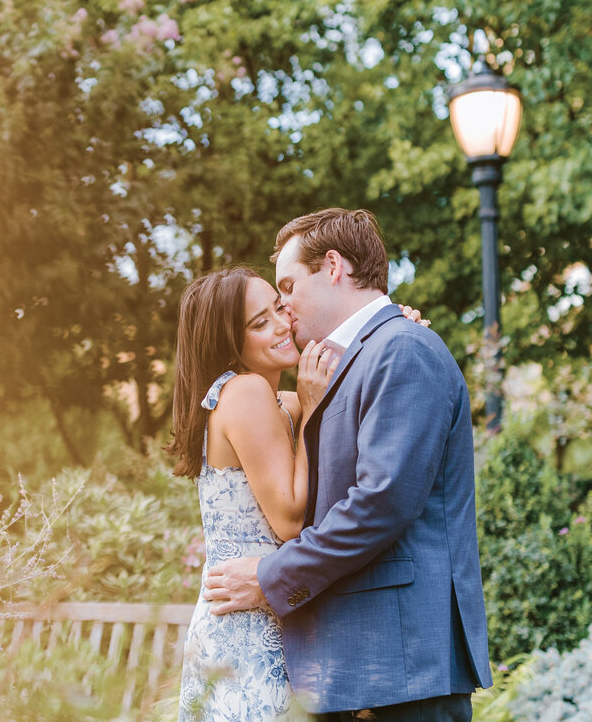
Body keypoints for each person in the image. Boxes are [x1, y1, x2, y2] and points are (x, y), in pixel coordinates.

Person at [201, 208, 493, 721]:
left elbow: (381, 502)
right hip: (360, 668)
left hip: (401, 667)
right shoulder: (353, 358)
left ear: (333, 266)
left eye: (287, 287)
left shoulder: (402, 348)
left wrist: (271, 578)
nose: (285, 308)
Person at [168, 264, 424, 721]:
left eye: (278, 308)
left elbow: (347, 371)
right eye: (259, 323)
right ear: (230, 343)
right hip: (250, 622)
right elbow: (288, 519)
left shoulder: (277, 400)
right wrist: (309, 413)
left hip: (274, 609)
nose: (283, 325)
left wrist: (393, 326)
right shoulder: (245, 393)